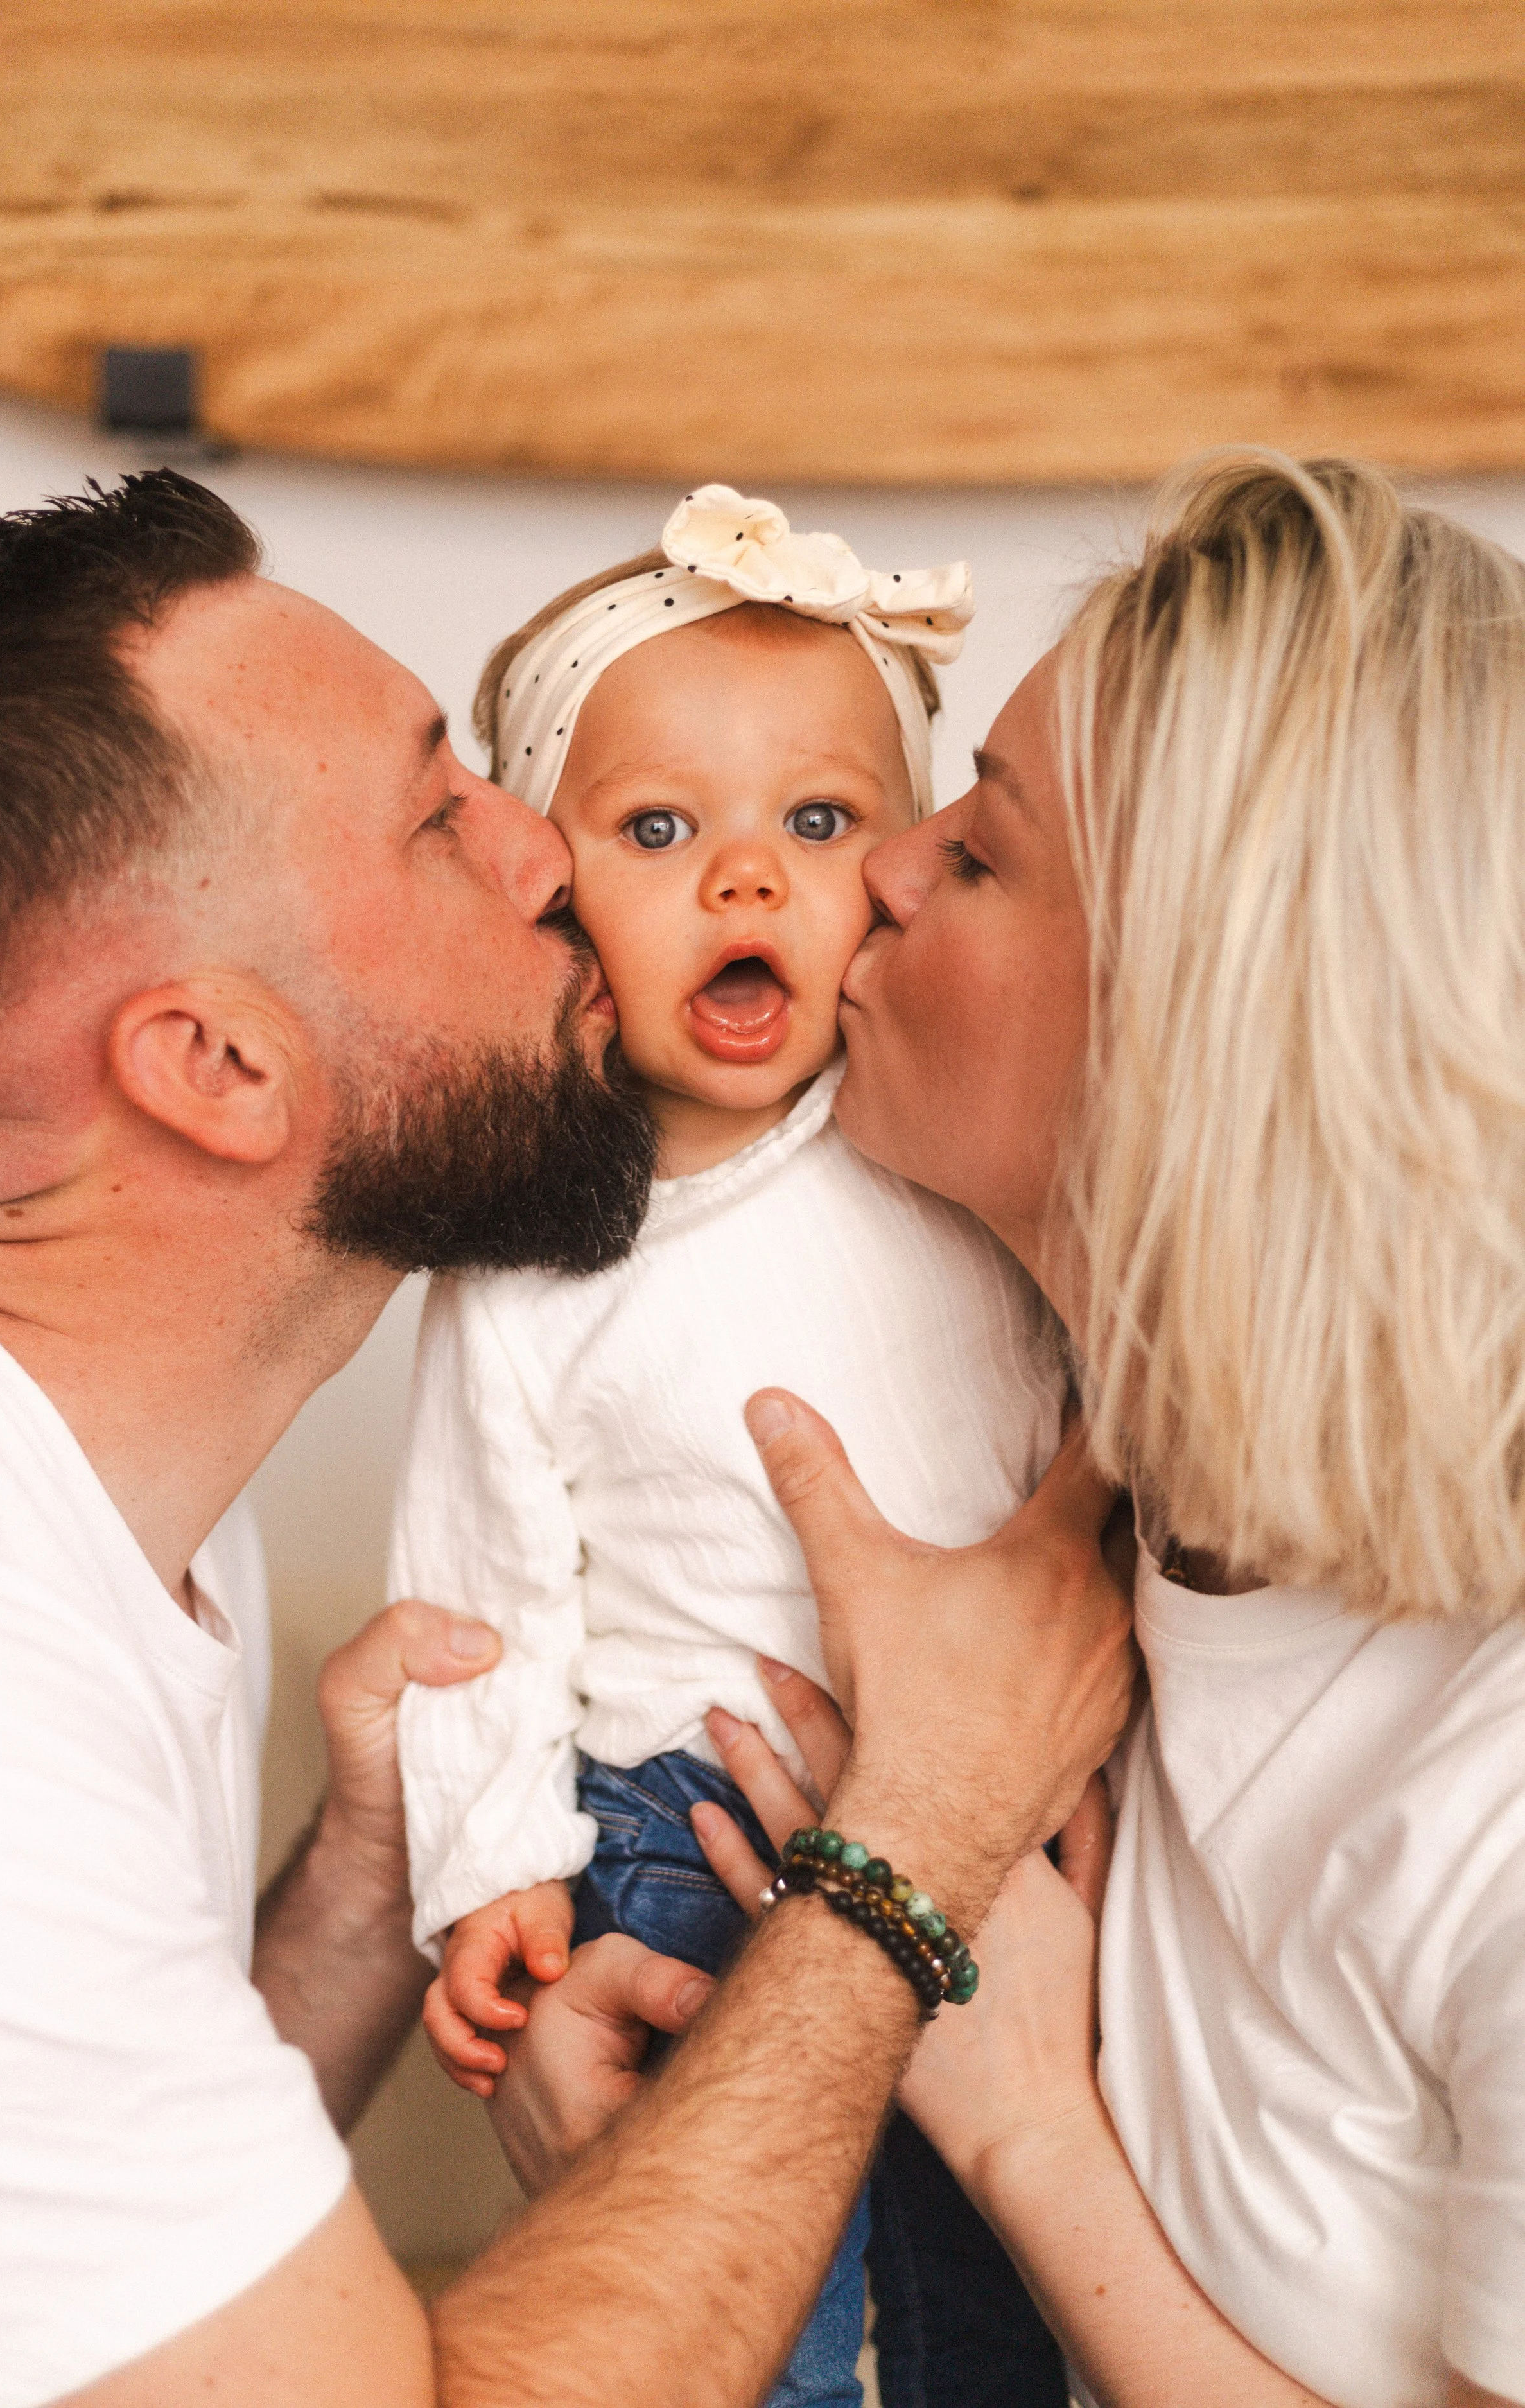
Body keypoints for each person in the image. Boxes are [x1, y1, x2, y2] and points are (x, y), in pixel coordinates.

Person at [0, 469, 1134, 2407]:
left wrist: (366, 1886)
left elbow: (91, 2285)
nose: (544, 852)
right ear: (215, 1065)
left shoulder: (109, 1485)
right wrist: (910, 1840)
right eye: (440, 812)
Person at [692, 452, 1525, 2408]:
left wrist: (1017, 2119)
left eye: (978, 852)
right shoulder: (1095, 1549)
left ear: (1201, 1025)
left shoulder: (1491, 1787)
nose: (880, 868)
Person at [392, 486, 1067, 2406]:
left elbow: (1064, 1474)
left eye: (821, 821)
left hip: (979, 1809)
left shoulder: (947, 1161)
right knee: (743, 2303)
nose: (749, 881)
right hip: (678, 1837)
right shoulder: (538, 1253)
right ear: (557, 887)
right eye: (663, 829)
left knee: (984, 2295)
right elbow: (477, 1597)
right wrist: (488, 1865)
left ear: (906, 868)